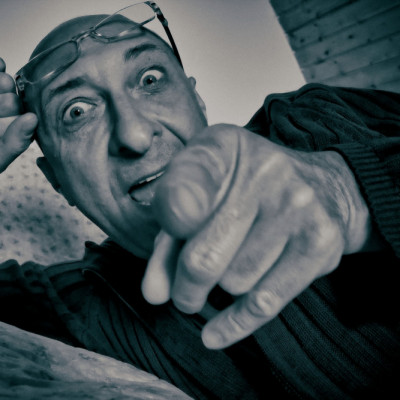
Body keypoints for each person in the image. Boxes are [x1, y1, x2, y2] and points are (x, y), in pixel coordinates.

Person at [0, 2, 399, 399]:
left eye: (150, 80)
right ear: (57, 181)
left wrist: (348, 191)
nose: (135, 136)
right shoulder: (78, 303)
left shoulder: (313, 119)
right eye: (76, 112)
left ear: (198, 99)